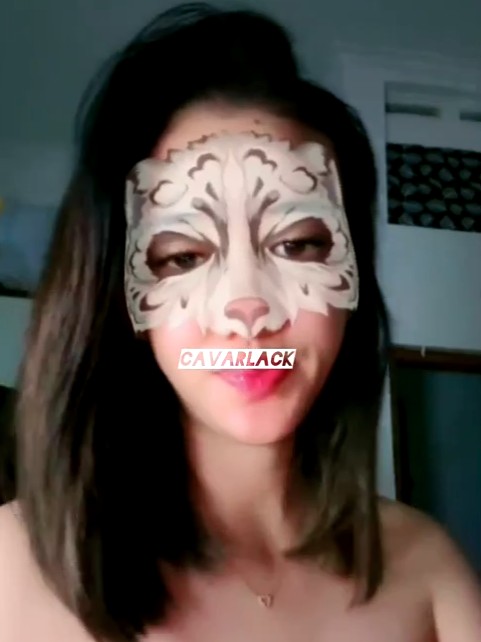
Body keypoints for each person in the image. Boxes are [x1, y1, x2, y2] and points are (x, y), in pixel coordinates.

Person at [0, 3, 480, 641]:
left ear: (354, 276)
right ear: (120, 296)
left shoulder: (427, 571)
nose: (247, 309)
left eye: (297, 244)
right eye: (183, 257)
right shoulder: (12, 570)